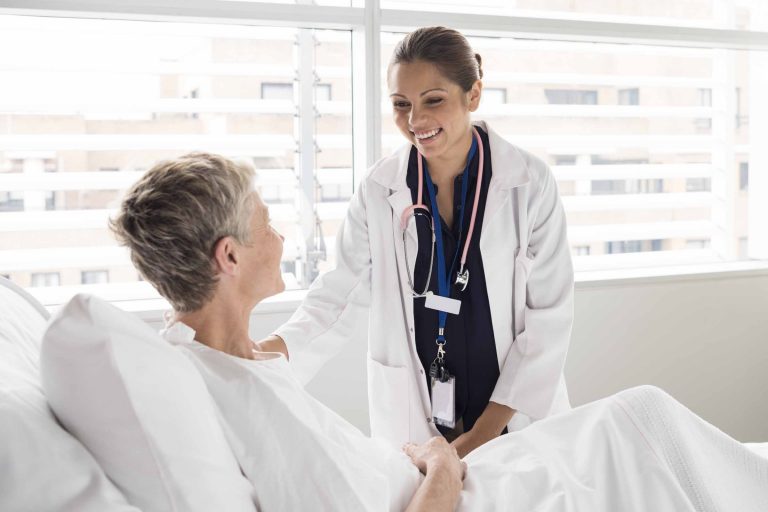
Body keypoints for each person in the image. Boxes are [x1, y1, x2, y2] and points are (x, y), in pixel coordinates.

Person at [111, 152, 768, 512]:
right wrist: (444, 463)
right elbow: (339, 302)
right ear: (228, 257)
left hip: (447, 464)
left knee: (639, 420)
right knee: (643, 424)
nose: (281, 238)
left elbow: (546, 319)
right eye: (266, 225)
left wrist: (442, 455)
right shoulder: (238, 395)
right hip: (454, 484)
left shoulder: (216, 367)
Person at [257, 26, 574, 457]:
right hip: (419, 415)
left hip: (510, 416)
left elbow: (549, 319)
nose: (415, 121)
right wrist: (270, 350)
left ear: (473, 95)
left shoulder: (528, 183)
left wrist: (476, 438)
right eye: (401, 104)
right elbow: (338, 293)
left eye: (434, 100)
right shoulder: (379, 188)